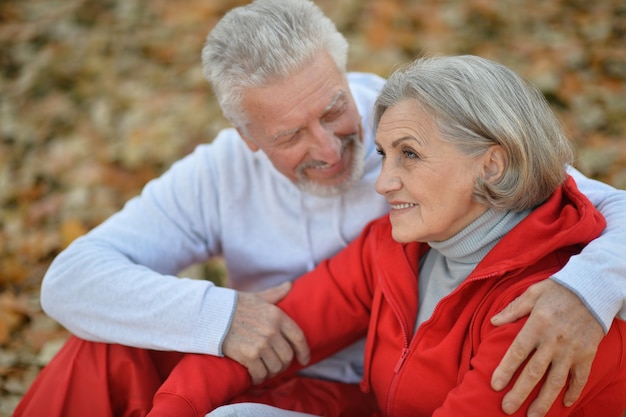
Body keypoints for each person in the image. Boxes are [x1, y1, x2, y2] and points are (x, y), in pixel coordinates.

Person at [13, 1, 626, 416]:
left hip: (390, 391)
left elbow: (565, 196)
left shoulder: (426, 122)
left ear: (343, 70)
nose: (335, 151)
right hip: (287, 367)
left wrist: (588, 290)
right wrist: (219, 315)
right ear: (248, 138)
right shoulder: (376, 232)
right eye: (288, 136)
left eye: (333, 109)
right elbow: (71, 279)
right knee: (108, 346)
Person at [145, 54, 626, 417]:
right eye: (384, 154)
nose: (383, 182)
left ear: (492, 164)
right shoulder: (394, 248)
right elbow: (282, 324)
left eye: (409, 154)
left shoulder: (545, 308)